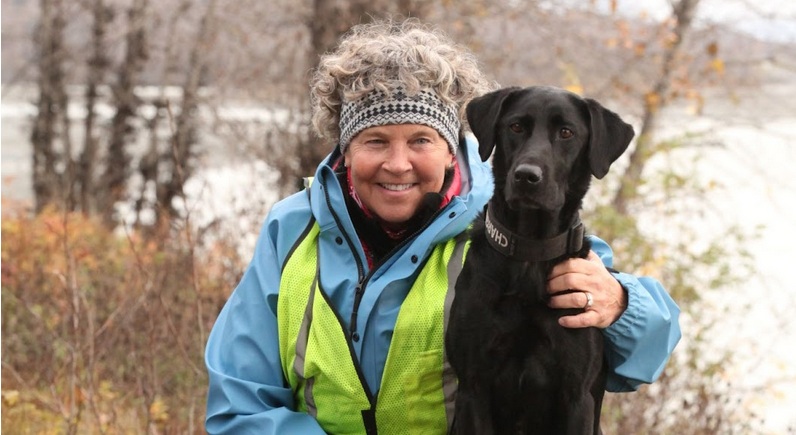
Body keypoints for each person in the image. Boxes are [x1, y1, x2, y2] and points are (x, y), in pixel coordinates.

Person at [204, 19, 681, 434]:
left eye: (419, 140)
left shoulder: (512, 235)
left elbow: (646, 349)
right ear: (344, 150)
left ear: (452, 148)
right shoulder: (292, 231)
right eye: (374, 140)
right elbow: (238, 402)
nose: (397, 164)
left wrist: (621, 304)